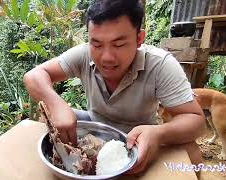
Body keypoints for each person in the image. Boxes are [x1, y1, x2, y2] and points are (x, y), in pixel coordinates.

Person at [23, 0, 205, 175]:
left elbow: (195, 121)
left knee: (192, 152)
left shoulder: (160, 65)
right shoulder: (84, 54)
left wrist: (158, 133)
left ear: (139, 38)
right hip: (96, 125)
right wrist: (56, 105)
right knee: (51, 122)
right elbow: (33, 76)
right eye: (96, 44)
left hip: (139, 137)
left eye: (119, 44)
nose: (106, 57)